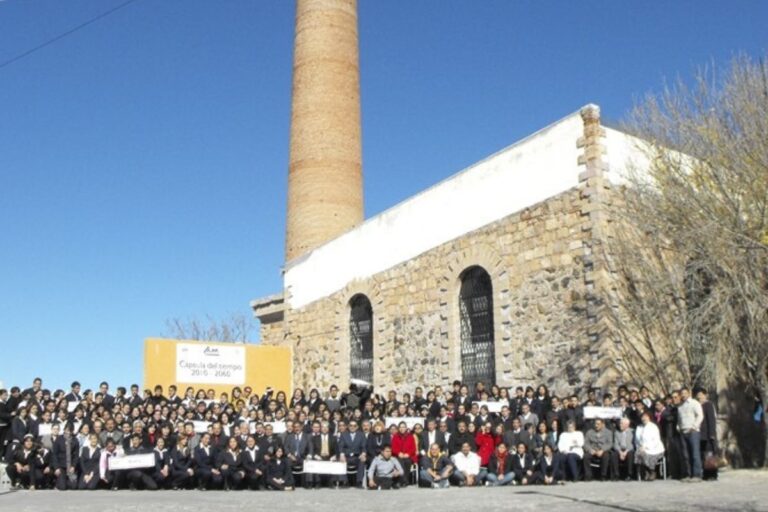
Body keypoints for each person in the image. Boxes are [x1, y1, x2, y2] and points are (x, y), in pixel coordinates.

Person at [677, 387, 704, 481]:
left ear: (689, 393)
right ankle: (688, 474)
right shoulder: (680, 406)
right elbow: (679, 419)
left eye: (685, 393)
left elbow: (700, 415)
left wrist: (694, 426)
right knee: (685, 455)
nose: (683, 395)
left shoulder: (694, 403)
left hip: (693, 431)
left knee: (695, 454)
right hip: (683, 431)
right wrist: (678, 427)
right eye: (681, 393)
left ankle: (697, 475)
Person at [635, 411, 665, 481]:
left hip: (655, 448)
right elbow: (636, 440)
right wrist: (640, 447)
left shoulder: (653, 426)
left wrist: (647, 447)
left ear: (649, 417)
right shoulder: (639, 427)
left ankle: (652, 471)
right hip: (642, 448)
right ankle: (647, 471)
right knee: (639, 453)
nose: (644, 418)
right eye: (642, 417)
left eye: (645, 416)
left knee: (648, 455)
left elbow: (656, 440)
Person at [696, 389, 718, 481]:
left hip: (708, 434)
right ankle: (705, 473)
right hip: (700, 434)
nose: (699, 397)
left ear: (705, 395)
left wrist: (712, 433)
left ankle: (712, 474)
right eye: (698, 395)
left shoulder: (708, 405)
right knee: (703, 455)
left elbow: (711, 420)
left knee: (709, 455)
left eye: (701, 395)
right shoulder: (698, 405)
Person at [338, 419, 367, 488]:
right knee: (341, 461)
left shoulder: (361, 435)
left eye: (354, 426)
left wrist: (363, 454)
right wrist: (342, 454)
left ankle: (359, 482)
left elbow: (364, 446)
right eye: (351, 425)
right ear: (348, 426)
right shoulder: (344, 434)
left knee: (362, 461)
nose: (352, 427)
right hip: (346, 456)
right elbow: (341, 446)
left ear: (357, 427)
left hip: (357, 456)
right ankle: (344, 482)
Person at [52, 423, 79, 490]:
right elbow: (54, 454)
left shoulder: (75, 440)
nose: (68, 432)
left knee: (73, 486)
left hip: (70, 467)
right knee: (62, 487)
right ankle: (59, 481)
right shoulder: (59, 439)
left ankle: (66, 480)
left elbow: (76, 455)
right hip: (61, 466)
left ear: (72, 431)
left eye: (70, 431)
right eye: (66, 430)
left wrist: (73, 466)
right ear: (64, 430)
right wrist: (56, 467)